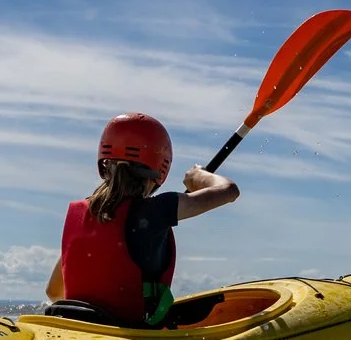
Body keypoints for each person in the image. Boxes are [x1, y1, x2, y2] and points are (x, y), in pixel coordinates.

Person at [44, 112, 237, 327]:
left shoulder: (82, 213)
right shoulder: (157, 210)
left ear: (104, 162)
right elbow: (229, 190)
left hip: (76, 330)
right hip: (131, 336)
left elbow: (54, 291)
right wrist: (200, 176)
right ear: (160, 167)